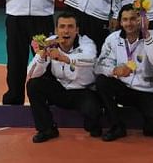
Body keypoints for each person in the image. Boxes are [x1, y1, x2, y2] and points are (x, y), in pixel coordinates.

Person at [26, 12, 101, 143]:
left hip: (83, 91)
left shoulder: (87, 43)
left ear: (77, 30)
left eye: (70, 26)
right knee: (33, 85)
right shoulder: (49, 43)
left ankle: (93, 123)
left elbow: (90, 59)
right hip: (60, 89)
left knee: (92, 116)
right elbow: (31, 74)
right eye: (62, 27)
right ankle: (47, 129)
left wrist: (64, 58)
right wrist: (42, 57)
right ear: (56, 30)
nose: (66, 31)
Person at [94, 4, 153, 142]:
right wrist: (114, 71)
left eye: (133, 19)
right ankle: (117, 126)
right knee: (102, 81)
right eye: (125, 19)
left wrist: (146, 34)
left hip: (147, 91)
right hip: (123, 89)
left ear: (140, 19)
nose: (129, 23)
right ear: (120, 22)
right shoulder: (113, 39)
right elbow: (99, 66)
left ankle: (149, 124)